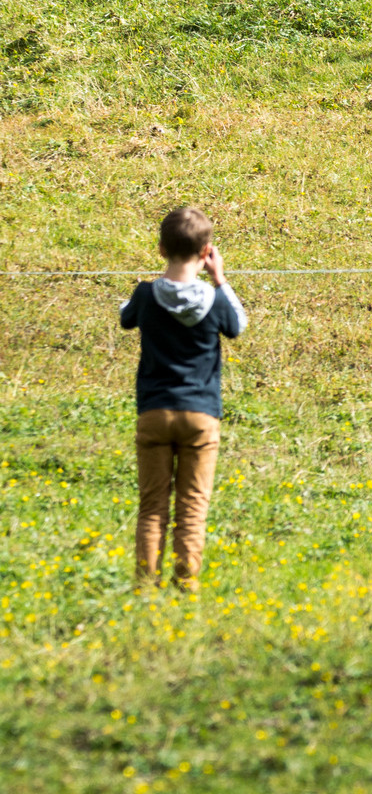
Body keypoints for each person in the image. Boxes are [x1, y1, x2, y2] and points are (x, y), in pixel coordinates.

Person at [119, 207, 247, 591]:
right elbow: (237, 325)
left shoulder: (145, 295)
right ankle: (186, 584)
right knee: (192, 506)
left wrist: (151, 289)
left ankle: (145, 584)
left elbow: (125, 317)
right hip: (201, 414)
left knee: (152, 504)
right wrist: (220, 278)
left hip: (155, 412)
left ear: (161, 249)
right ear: (206, 250)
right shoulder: (214, 299)